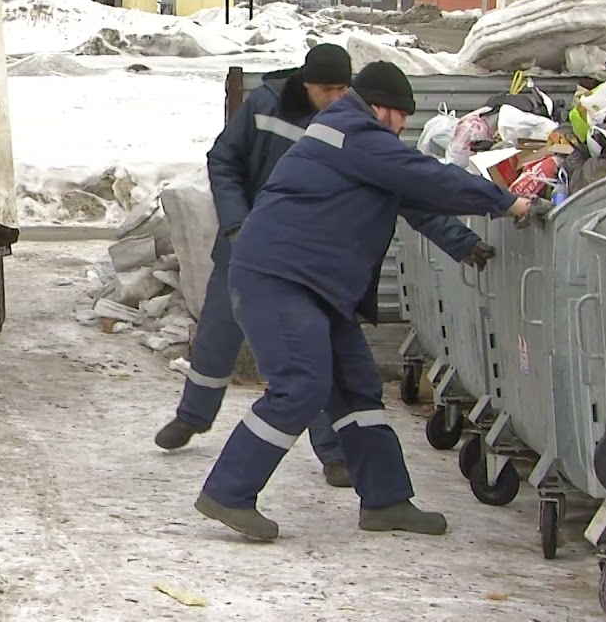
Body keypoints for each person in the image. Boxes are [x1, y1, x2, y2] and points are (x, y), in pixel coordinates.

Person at [194, 61, 543, 541]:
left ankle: (386, 500)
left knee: (358, 389)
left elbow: (411, 196)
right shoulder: (350, 131)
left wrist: (462, 242)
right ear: (381, 107)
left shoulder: (358, 141)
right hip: (278, 278)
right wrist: (507, 202)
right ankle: (228, 492)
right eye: (401, 115)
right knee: (301, 384)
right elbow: (426, 177)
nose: (403, 126)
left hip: (316, 285)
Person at [154, 46, 494, 490]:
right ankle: (193, 416)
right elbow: (225, 161)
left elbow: (406, 192)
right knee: (219, 336)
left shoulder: (358, 131)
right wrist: (237, 222)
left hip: (312, 263)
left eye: (342, 88)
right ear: (304, 83)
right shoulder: (266, 106)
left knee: (312, 361)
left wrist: (460, 240)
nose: (334, 97)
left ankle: (334, 454)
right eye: (326, 89)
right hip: (249, 244)